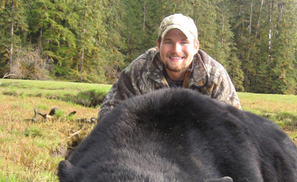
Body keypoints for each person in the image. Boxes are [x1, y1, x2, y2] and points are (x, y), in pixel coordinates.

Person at [98, 13, 241, 120]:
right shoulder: (138, 72)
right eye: (168, 42)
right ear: (158, 45)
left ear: (195, 46)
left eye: (183, 42)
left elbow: (235, 126)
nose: (176, 50)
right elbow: (108, 115)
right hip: (149, 148)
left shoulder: (214, 77)